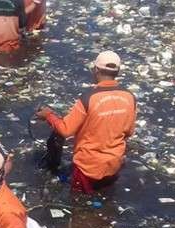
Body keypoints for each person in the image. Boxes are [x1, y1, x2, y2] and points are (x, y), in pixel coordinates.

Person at [36, 51, 136, 194]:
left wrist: (48, 116)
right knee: (105, 197)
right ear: (118, 71)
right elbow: (129, 131)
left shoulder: (88, 98)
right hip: (113, 164)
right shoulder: (130, 97)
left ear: (96, 70)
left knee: (79, 203)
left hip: (88, 167)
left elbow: (66, 130)